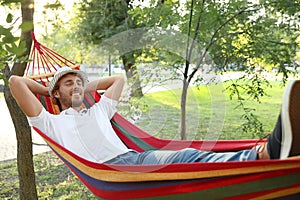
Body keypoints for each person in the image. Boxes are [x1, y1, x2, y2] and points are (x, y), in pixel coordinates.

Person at [9, 66, 300, 164]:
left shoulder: (100, 109)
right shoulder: (51, 122)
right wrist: (51, 93)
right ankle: (266, 153)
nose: (75, 85)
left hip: (135, 159)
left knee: (187, 155)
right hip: (106, 173)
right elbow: (15, 83)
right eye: (67, 83)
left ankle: (264, 154)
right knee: (187, 159)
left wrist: (81, 89)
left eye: (78, 81)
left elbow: (118, 79)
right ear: (56, 94)